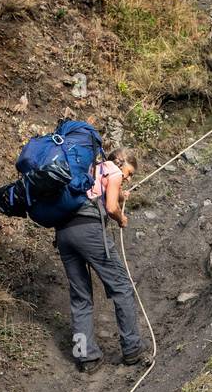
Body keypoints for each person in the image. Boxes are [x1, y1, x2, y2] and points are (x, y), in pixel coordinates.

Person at [55, 147, 145, 372]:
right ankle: (132, 349)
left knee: (80, 297)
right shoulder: (113, 171)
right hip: (90, 232)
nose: (127, 177)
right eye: (130, 172)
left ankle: (86, 357)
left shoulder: (88, 168)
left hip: (64, 234)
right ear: (120, 161)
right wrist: (121, 218)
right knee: (122, 287)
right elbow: (111, 207)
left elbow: (97, 194)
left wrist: (121, 194)